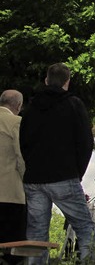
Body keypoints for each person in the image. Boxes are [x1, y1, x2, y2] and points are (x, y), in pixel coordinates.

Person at [19, 63, 95, 264]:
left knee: (36, 233)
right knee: (85, 228)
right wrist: (77, 172)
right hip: (64, 175)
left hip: (34, 178)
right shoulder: (74, 104)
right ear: (67, 82)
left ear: (46, 80)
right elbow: (86, 142)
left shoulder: (31, 108)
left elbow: (23, 142)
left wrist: (33, 166)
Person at [0, 90, 26, 263]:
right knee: (13, 247)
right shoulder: (15, 122)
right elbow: (21, 157)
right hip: (10, 192)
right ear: (18, 106)